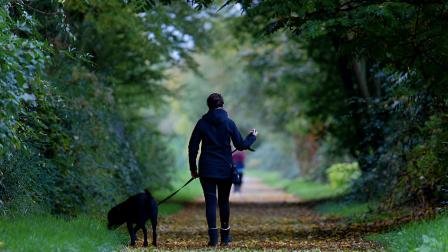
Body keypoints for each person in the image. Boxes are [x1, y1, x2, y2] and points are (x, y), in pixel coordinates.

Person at [188, 93, 257, 246]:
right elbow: (240, 145)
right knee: (224, 201)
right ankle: (225, 237)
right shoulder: (228, 123)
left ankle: (213, 239)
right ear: (222, 105)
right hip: (225, 167)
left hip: (207, 168)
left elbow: (192, 147)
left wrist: (193, 168)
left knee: (210, 202)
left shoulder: (201, 123)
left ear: (208, 106)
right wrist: (252, 137)